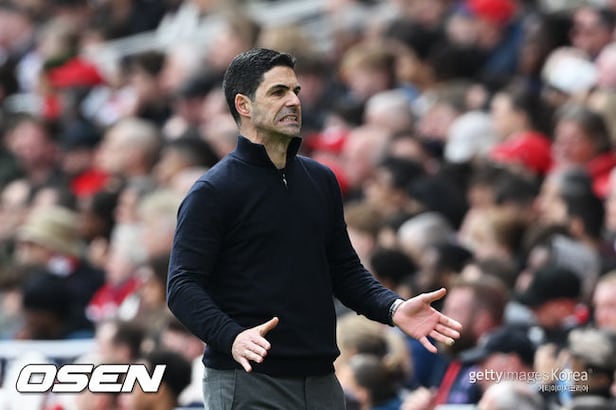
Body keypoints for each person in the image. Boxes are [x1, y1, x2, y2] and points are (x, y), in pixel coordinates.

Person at [166, 48, 462, 410]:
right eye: (278, 92)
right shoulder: (213, 191)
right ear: (243, 105)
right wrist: (232, 337)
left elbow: (345, 271)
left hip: (322, 380)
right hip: (249, 379)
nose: (293, 101)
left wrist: (393, 308)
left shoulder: (320, 179)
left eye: (295, 91)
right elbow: (182, 286)